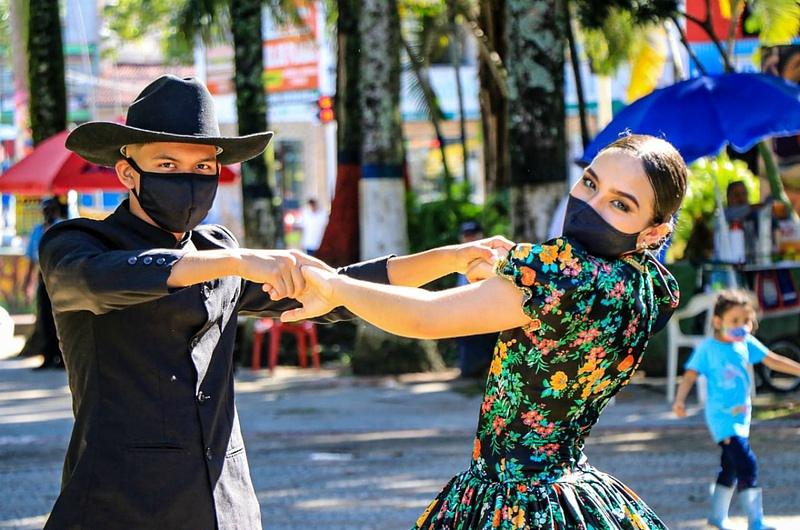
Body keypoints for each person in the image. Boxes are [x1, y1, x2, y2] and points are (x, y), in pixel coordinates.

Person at [39, 75, 510, 529]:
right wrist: (237, 262)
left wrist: (449, 258)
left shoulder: (218, 252)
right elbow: (103, 280)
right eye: (167, 165)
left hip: (225, 505)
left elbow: (336, 289)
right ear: (126, 171)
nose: (188, 179)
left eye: (203, 167)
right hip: (118, 507)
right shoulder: (79, 244)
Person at [284, 133, 687, 529]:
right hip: (575, 492)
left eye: (619, 204)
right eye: (590, 183)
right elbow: (561, 316)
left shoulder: (560, 274)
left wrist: (337, 289)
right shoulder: (647, 285)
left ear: (654, 231)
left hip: (512, 500)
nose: (590, 205)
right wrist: (507, 272)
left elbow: (425, 317)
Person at [672, 289, 800, 530]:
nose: (742, 326)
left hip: (742, 415)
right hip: (721, 418)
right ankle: (756, 522)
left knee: (729, 466)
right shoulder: (708, 349)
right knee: (747, 463)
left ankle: (716, 518)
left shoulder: (745, 343)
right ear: (717, 321)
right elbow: (689, 376)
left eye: (747, 321)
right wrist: (679, 401)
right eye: (735, 321)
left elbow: (772, 359)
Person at [21, 197, 64, 369]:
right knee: (45, 318)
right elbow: (32, 259)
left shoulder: (63, 227)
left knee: (59, 318)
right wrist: (28, 284)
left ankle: (62, 357)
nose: (48, 213)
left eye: (50, 209)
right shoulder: (38, 230)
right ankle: (47, 355)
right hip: (43, 277)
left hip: (60, 277)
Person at [454, 220, 498, 378]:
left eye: (473, 236)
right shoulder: (458, 259)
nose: (470, 240)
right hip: (466, 314)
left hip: (486, 313)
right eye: (466, 236)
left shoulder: (492, 257)